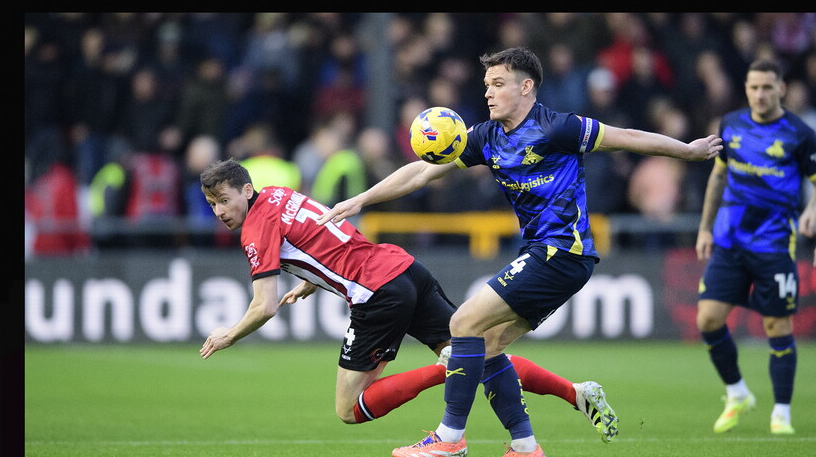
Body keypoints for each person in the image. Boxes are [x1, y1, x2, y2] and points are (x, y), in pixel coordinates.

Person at [318, 46, 722, 457]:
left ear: (526, 87)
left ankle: (450, 437)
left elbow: (629, 138)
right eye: (486, 85)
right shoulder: (484, 136)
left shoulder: (558, 127)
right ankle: (526, 449)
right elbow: (421, 171)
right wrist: (362, 199)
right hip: (544, 254)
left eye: (498, 84)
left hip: (562, 251)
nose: (488, 93)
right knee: (487, 346)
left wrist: (688, 150)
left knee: (463, 323)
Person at [197, 158, 617, 439]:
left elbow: (264, 305)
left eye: (224, 201)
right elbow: (320, 234)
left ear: (246, 190)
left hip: (376, 291)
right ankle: (575, 393)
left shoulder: (255, 228)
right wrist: (313, 277)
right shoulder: (277, 194)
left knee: (349, 408)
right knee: (484, 351)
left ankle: (446, 369)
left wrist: (229, 334)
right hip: (404, 268)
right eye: (212, 204)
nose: (219, 211)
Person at [695, 59, 816, 436]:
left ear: (781, 89)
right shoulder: (731, 124)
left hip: (774, 246)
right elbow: (718, 176)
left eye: (767, 87)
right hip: (730, 241)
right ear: (746, 89)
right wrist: (705, 228)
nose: (760, 94)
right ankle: (737, 393)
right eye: (754, 87)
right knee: (707, 319)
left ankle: (782, 414)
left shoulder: (799, 133)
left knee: (777, 326)